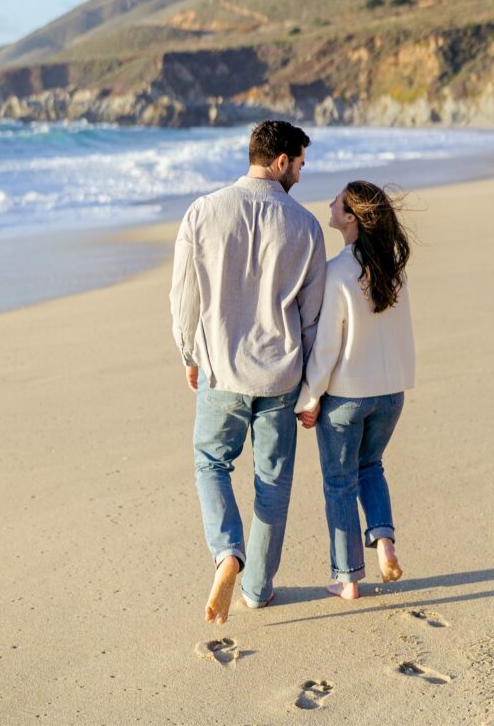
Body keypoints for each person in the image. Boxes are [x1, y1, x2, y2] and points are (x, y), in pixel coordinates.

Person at [170, 120, 326, 625]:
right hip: (280, 377)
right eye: (299, 164)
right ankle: (257, 588)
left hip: (221, 370)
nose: (301, 174)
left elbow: (184, 297)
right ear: (280, 161)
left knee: (211, 464)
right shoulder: (305, 226)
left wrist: (190, 354)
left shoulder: (203, 212)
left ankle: (227, 553)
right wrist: (311, 386)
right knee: (273, 483)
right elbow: (311, 317)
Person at [294, 180, 414, 599]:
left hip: (346, 396)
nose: (329, 202)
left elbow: (327, 347)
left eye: (337, 200)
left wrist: (309, 399)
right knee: (371, 467)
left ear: (350, 218)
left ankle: (347, 579)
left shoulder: (338, 271)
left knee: (340, 483)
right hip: (392, 392)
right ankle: (384, 542)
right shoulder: (393, 267)